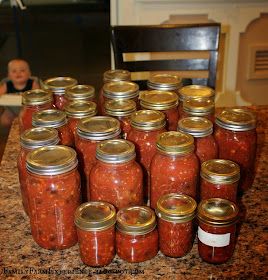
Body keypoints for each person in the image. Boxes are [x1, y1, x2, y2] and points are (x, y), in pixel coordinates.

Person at [0, 59, 40, 127]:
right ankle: (13, 129)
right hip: (11, 109)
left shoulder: (32, 83)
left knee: (26, 118)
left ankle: (22, 127)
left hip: (27, 107)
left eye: (22, 70)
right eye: (14, 71)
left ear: (29, 74)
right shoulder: (7, 85)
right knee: (4, 120)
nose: (18, 73)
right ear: (9, 75)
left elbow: (37, 93)